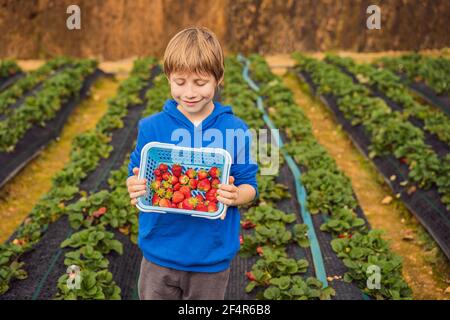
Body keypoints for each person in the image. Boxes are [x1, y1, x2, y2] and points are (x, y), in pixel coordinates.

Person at [126, 26, 258, 300]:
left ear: (218, 79)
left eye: (200, 83)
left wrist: (234, 196)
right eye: (180, 81)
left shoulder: (235, 129)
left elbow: (249, 186)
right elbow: (135, 177)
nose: (189, 92)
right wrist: (135, 186)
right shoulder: (151, 128)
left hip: (210, 258)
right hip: (159, 253)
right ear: (168, 79)